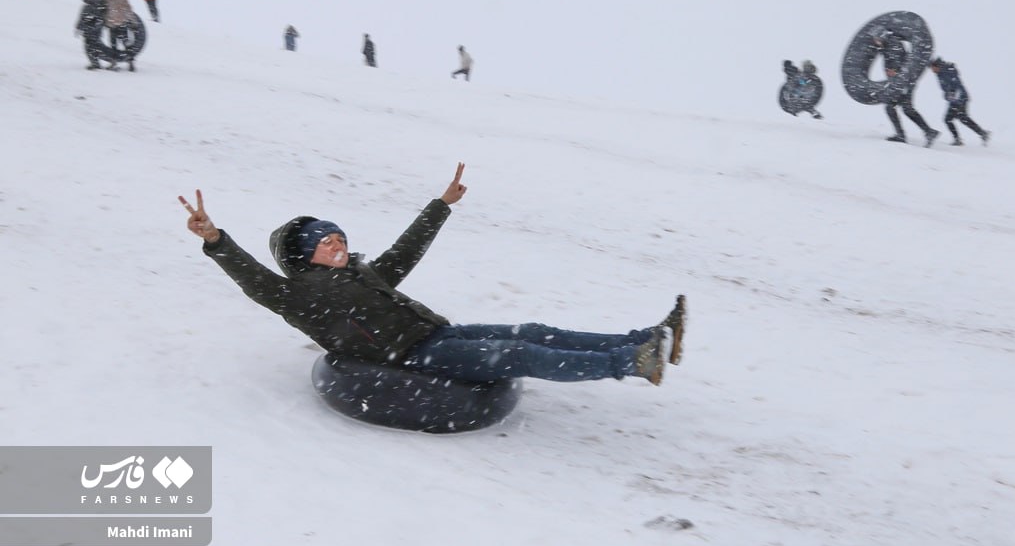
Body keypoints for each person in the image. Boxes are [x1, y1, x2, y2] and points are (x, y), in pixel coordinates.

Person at [178, 164, 687, 387]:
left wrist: (439, 206)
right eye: (325, 241)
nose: (338, 244)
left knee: (532, 331)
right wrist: (216, 240)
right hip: (413, 354)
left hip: (434, 332)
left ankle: (646, 337)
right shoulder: (297, 295)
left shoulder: (365, 273)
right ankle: (635, 362)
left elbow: (405, 251)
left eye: (339, 236)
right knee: (522, 355)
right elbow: (254, 280)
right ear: (305, 255)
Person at [872, 33, 939, 146]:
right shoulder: (887, 46)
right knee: (906, 109)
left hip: (903, 82)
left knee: (891, 107)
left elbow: (899, 59)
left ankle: (903, 135)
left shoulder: (893, 44)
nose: (876, 42)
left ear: (881, 37)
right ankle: (928, 131)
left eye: (877, 39)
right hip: (905, 82)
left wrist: (894, 70)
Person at [88, 0, 137, 72]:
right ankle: (126, 61)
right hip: (115, 12)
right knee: (117, 39)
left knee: (119, 38)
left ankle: (124, 61)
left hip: (115, 10)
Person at [930, 57, 990, 146]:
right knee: (960, 119)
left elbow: (956, 83)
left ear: (937, 66)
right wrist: (948, 94)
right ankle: (982, 133)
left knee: (951, 119)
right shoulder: (941, 73)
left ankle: (959, 139)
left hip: (959, 99)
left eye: (932, 68)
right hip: (956, 99)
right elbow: (947, 87)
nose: (932, 70)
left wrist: (952, 93)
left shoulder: (946, 71)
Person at [75, 0, 116, 70]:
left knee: (91, 48)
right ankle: (98, 62)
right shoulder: (92, 6)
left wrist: (81, 28)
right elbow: (83, 18)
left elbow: (85, 18)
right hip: (91, 31)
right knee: (92, 48)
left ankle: (104, 61)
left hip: (92, 32)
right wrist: (79, 28)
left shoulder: (95, 7)